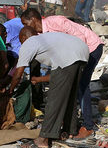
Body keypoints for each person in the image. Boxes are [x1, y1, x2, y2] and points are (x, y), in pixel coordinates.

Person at [20, 8, 103, 139]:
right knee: (68, 86)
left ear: (34, 19)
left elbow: (79, 38)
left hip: (90, 48)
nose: (25, 27)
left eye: (26, 24)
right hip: (73, 56)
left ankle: (88, 126)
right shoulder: (41, 36)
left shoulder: (55, 22)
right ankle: (69, 125)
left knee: (81, 85)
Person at [8, 27, 88, 148]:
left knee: (54, 99)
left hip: (69, 58)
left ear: (23, 37)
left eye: (21, 41)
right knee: (69, 95)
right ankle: (69, 131)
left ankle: (43, 138)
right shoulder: (46, 40)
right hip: (82, 52)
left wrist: (10, 90)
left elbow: (18, 73)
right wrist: (39, 79)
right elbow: (60, 77)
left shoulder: (29, 42)